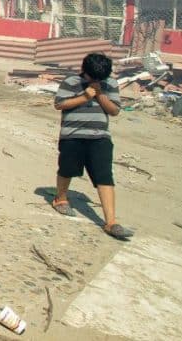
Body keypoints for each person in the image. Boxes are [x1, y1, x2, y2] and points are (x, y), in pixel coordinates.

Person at [50, 53, 133, 239]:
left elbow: (114, 111)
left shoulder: (110, 84)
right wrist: (85, 96)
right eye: (92, 77)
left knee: (104, 176)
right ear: (84, 71)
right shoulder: (70, 82)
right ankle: (60, 199)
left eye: (100, 78)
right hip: (72, 135)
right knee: (67, 169)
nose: (96, 80)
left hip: (100, 137)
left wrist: (100, 94)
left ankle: (111, 222)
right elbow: (59, 104)